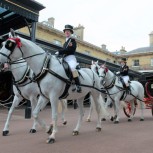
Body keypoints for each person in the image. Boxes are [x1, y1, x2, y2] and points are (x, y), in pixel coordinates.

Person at [55, 24, 81, 93]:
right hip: (64, 59)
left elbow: (71, 50)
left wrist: (59, 51)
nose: (67, 32)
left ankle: (78, 85)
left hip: (70, 58)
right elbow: (64, 50)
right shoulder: (65, 43)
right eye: (66, 31)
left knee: (72, 68)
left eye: (68, 31)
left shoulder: (72, 41)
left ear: (71, 32)